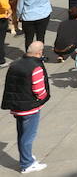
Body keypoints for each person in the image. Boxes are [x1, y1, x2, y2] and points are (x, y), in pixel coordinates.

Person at [2, 41, 50, 174]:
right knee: (28, 136)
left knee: (22, 134)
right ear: (39, 52)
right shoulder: (35, 67)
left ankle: (26, 157)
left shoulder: (15, 64)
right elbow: (39, 90)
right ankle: (27, 163)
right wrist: (42, 97)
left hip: (17, 106)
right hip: (30, 106)